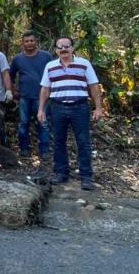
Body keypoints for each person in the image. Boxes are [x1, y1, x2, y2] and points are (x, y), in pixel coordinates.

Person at [38, 36, 104, 191]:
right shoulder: (50, 66)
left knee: (83, 142)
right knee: (59, 141)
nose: (63, 49)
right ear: (56, 50)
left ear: (72, 48)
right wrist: (41, 109)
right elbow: (45, 89)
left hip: (79, 107)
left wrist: (98, 108)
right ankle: (61, 173)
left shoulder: (84, 64)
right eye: (60, 47)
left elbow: (94, 86)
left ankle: (86, 177)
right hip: (57, 107)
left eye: (67, 46)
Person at [9, 30, 54, 159]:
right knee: (23, 123)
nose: (29, 43)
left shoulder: (46, 56)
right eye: (26, 41)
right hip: (24, 97)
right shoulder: (18, 58)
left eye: (32, 41)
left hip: (42, 97)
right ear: (22, 43)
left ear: (36, 42)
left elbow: (53, 74)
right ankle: (24, 149)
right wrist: (13, 91)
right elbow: (10, 76)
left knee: (43, 123)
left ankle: (44, 150)